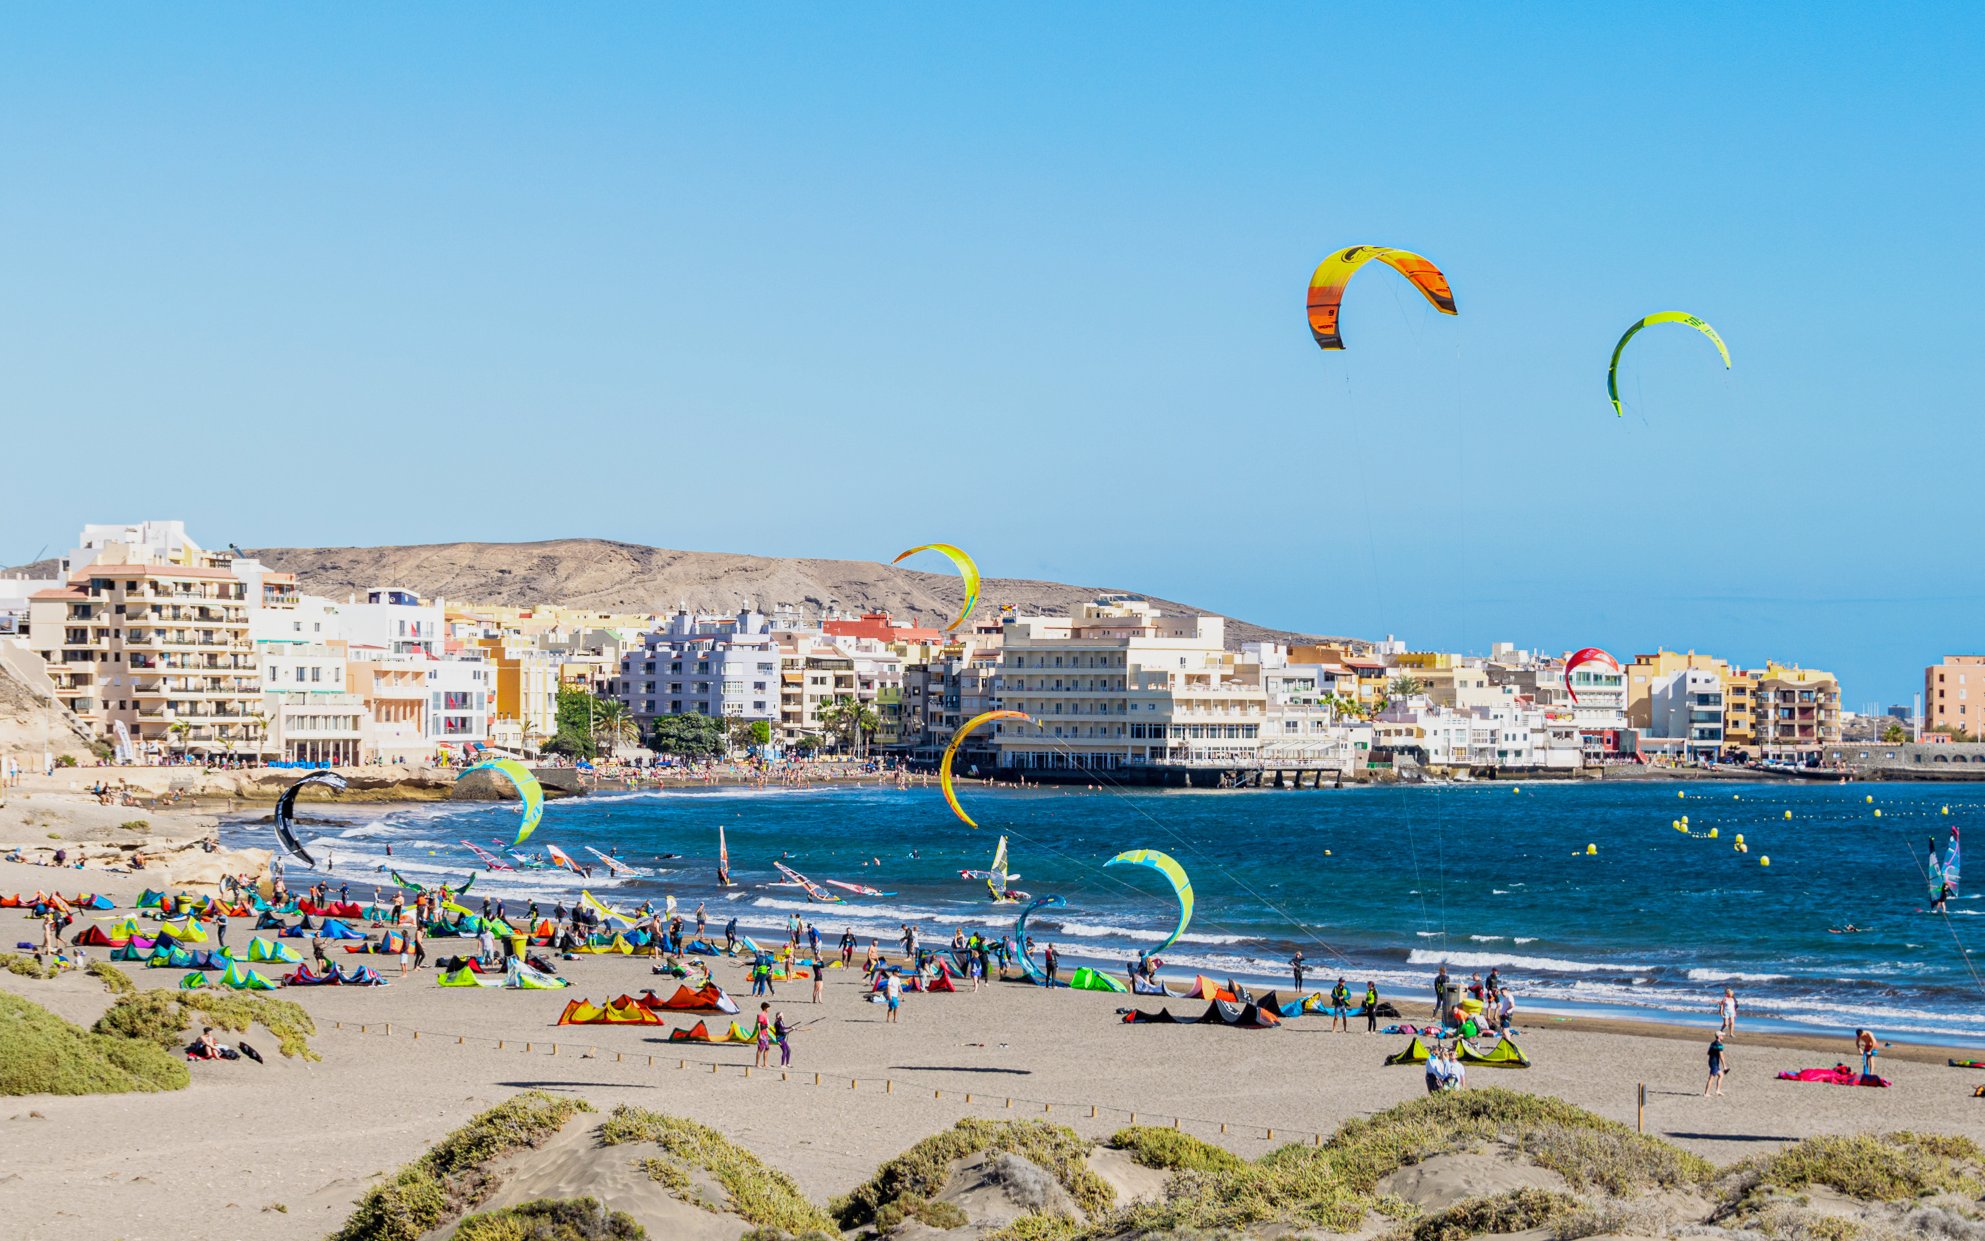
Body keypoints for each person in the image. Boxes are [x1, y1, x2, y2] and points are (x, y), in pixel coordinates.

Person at [1704, 1032, 1728, 1096]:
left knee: (1721, 1075)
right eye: (1722, 1035)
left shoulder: (1712, 1043)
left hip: (1711, 1061)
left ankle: (1718, 1090)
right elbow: (1721, 1056)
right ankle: (1706, 1093)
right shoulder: (1719, 1044)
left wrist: (1714, 1053)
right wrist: (1724, 1066)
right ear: (1719, 1036)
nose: (1723, 1037)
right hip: (1714, 1063)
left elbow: (1708, 1053)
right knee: (1711, 1078)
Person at [754, 1002, 773, 1068]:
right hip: (762, 1033)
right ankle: (757, 1063)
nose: (769, 1009)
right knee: (760, 1048)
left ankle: (765, 1063)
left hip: (765, 1033)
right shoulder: (761, 1015)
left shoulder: (766, 1014)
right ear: (765, 1008)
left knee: (767, 1048)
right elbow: (759, 1024)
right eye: (768, 1008)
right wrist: (760, 1034)